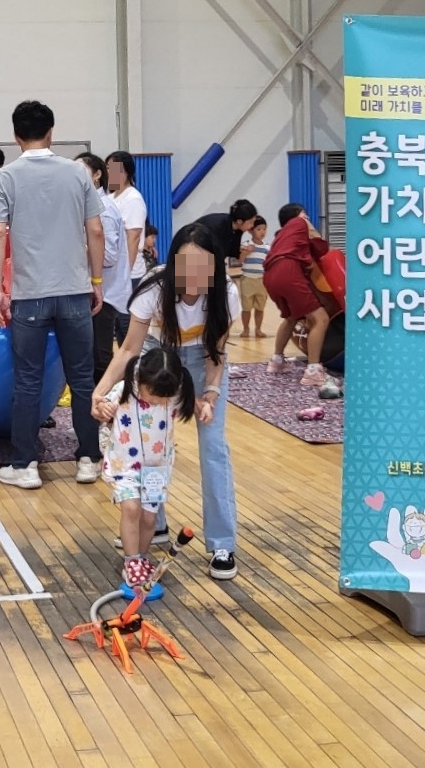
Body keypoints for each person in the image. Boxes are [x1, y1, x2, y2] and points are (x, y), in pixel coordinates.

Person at [93, 223, 243, 580]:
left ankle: (222, 542)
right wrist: (99, 392)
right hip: (157, 357)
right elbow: (129, 348)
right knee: (147, 440)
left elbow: (217, 350)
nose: (194, 276)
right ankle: (153, 522)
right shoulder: (154, 289)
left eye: (204, 267)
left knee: (214, 447)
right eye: (187, 266)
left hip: (202, 359)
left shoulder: (227, 293)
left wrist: (210, 393)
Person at [0, 100, 106, 489]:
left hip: (30, 295)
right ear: (52, 132)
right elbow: (95, 232)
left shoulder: (6, 177)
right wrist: (96, 282)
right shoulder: (77, 173)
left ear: (15, 136)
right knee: (83, 379)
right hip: (74, 292)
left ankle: (26, 465)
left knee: (27, 381)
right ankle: (89, 459)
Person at [95, 347, 194, 587]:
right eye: (153, 395)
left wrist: (206, 404)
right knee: (131, 509)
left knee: (149, 519)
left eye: (163, 398)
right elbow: (100, 408)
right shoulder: (125, 389)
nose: (158, 401)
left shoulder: (174, 392)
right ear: (142, 380)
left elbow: (195, 403)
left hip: (157, 469)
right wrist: (102, 408)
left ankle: (140, 557)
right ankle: (131, 561)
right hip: (125, 464)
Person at [263, 203, 332, 387]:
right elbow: (322, 247)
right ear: (296, 216)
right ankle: (313, 371)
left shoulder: (283, 237)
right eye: (305, 215)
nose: (308, 219)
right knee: (321, 319)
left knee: (291, 317)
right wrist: (305, 221)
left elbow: (317, 250)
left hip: (270, 275)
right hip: (288, 271)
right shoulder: (299, 223)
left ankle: (277, 361)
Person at [77, 151, 131, 383]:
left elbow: (107, 256)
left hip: (105, 293)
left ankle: (108, 406)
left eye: (82, 172)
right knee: (91, 353)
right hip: (95, 289)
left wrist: (77, 247)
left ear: (98, 174)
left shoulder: (104, 209)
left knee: (100, 355)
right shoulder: (89, 205)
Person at [106, 151, 149, 342]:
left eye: (111, 169)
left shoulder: (133, 198)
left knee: (126, 324)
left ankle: (132, 368)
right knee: (116, 325)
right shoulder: (113, 197)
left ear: (124, 172)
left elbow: (133, 237)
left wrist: (125, 273)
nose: (108, 173)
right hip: (115, 272)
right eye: (106, 168)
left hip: (129, 273)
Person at [239, 217, 270, 338]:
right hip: (247, 279)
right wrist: (246, 252)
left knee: (260, 307)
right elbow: (240, 260)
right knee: (246, 308)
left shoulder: (267, 248)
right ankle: (246, 329)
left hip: (262, 280)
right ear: (250, 231)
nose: (262, 232)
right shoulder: (245, 245)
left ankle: (258, 329)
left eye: (264, 229)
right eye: (258, 229)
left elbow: (269, 263)